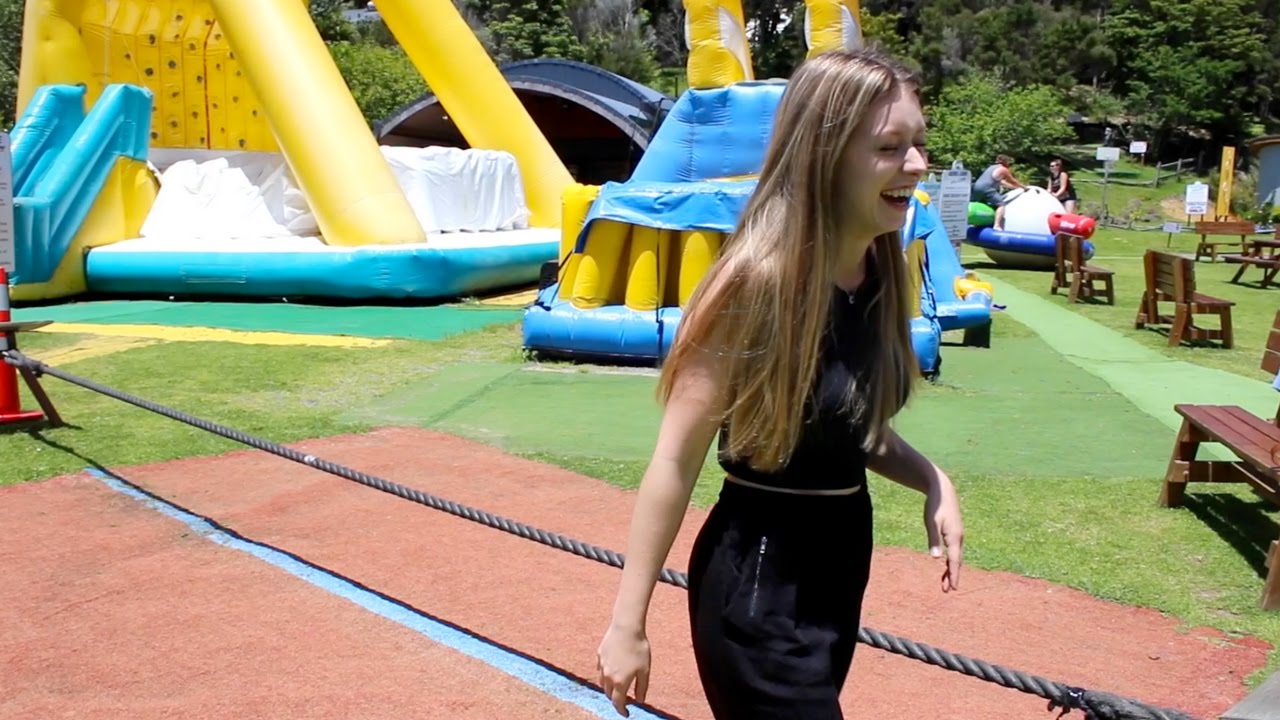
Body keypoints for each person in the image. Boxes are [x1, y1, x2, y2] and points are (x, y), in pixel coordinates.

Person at [595, 48, 965, 720]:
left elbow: (849, 429)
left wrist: (935, 480)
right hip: (758, 583)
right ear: (822, 154)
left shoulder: (878, 275)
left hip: (840, 564)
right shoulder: (753, 289)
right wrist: (628, 625)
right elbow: (675, 462)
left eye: (918, 144)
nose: (917, 166)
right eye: (889, 147)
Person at [970, 155, 1025, 230]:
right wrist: (1024, 187)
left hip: (976, 187)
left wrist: (1016, 188)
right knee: (1001, 205)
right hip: (987, 188)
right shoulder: (1003, 169)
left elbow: (1002, 182)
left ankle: (976, 223)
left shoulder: (991, 167)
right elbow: (1012, 181)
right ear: (1005, 162)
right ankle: (997, 225)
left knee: (982, 205)